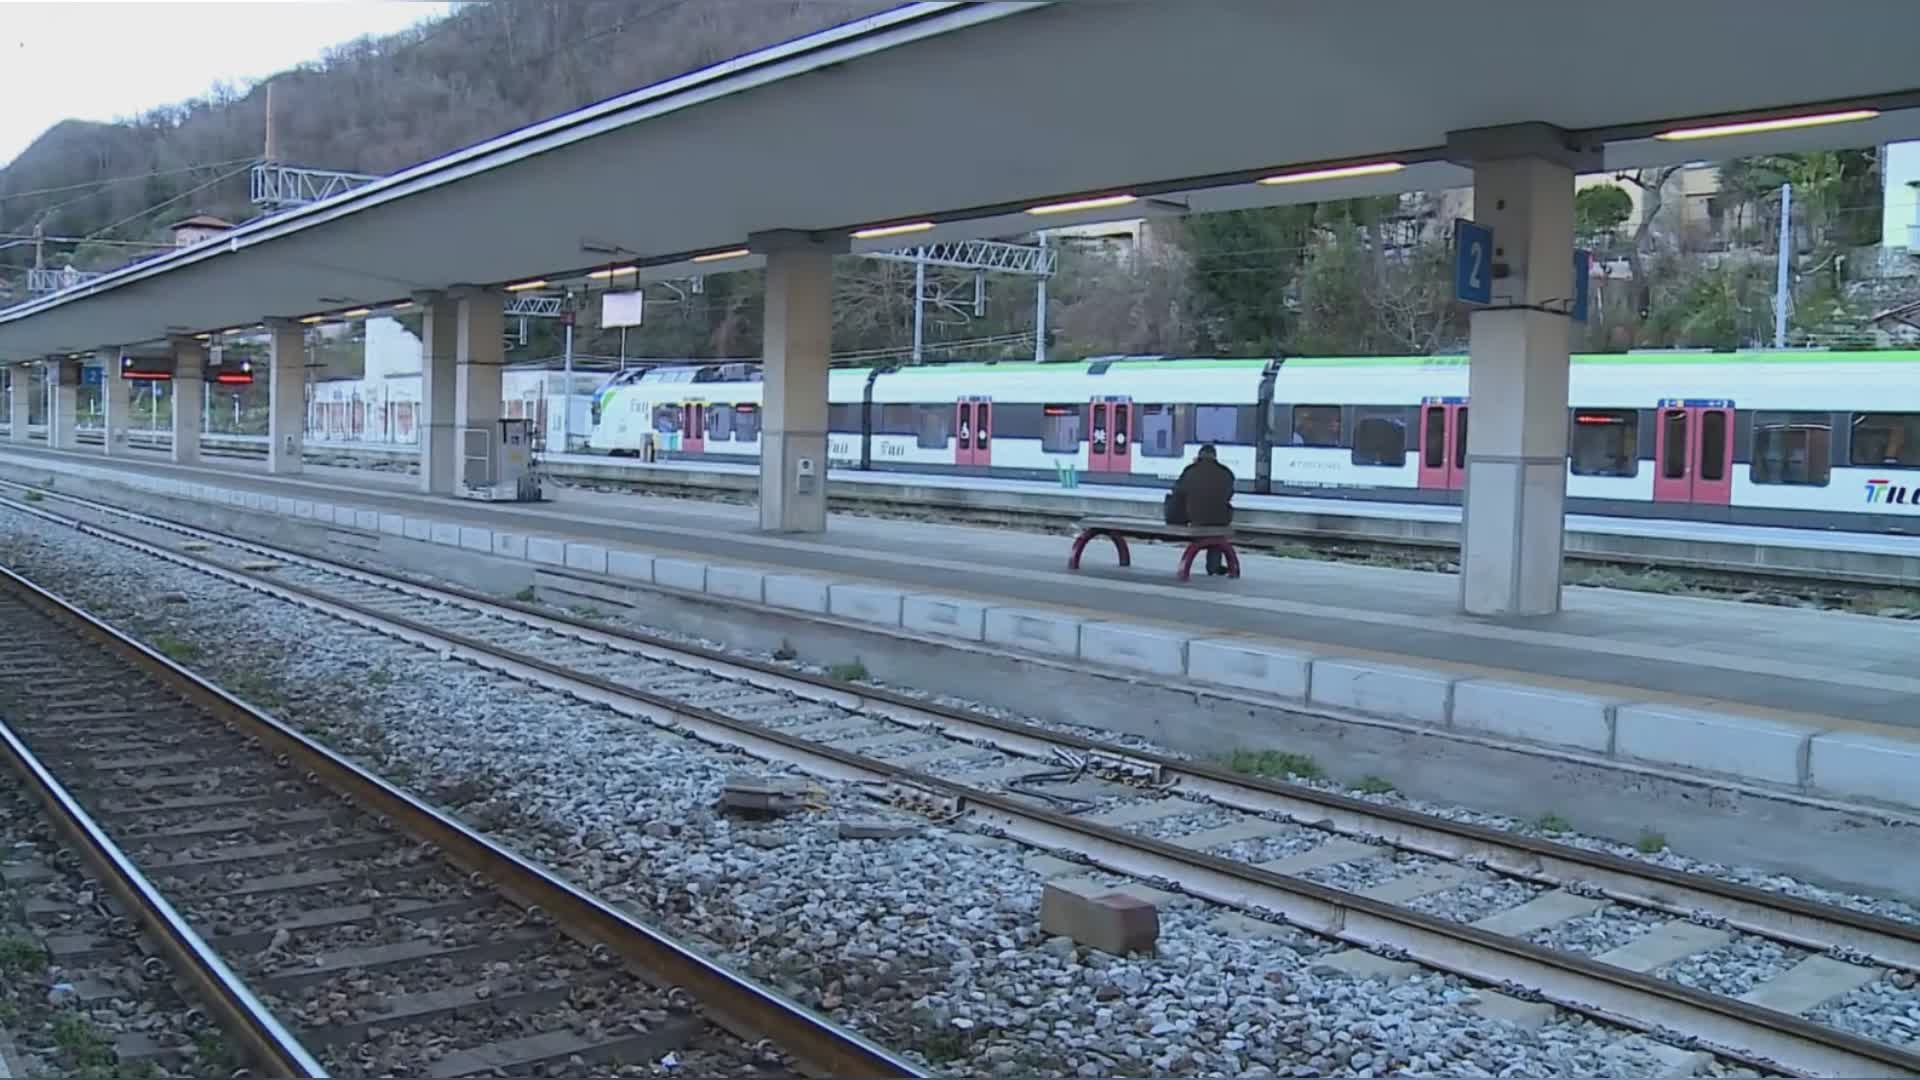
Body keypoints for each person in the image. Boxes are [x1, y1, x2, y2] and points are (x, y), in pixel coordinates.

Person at [1165, 443, 1235, 575]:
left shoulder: (1190, 471)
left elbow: (1177, 491)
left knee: (1180, 502)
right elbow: (1229, 495)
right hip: (1221, 520)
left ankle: (1212, 566)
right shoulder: (1226, 473)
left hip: (1196, 520)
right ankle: (1214, 566)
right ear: (1215, 457)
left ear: (1199, 456)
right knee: (1216, 531)